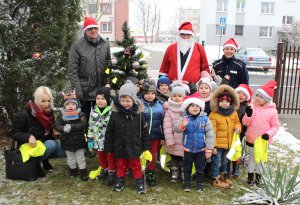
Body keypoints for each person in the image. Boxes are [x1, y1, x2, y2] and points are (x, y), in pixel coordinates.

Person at [104, 80, 150, 194]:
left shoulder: (139, 115)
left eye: (127, 100)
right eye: (122, 100)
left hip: (134, 146)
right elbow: (109, 131)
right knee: (121, 164)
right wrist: (109, 147)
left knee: (135, 165)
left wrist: (146, 147)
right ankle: (120, 180)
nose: (124, 103)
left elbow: (144, 132)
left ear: (134, 100)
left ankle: (139, 181)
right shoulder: (115, 114)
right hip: (120, 145)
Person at [11, 86, 65, 177]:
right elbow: (13, 133)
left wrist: (54, 134)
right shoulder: (24, 114)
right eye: (43, 101)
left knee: (66, 147)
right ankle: (34, 164)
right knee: (52, 144)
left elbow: (47, 136)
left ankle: (45, 161)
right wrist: (28, 137)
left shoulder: (50, 114)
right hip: (28, 148)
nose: (46, 104)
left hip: (42, 145)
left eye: (48, 101)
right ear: (36, 100)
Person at [68, 16, 111, 122]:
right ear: (85, 30)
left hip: (101, 93)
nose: (93, 31)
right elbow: (72, 70)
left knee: (101, 123)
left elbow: (109, 65)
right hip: (85, 93)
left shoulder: (105, 44)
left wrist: (108, 83)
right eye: (90, 28)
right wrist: (78, 91)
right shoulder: (77, 46)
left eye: (95, 28)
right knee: (85, 122)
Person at [242, 80, 280, 186]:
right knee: (252, 158)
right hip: (251, 138)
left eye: (261, 97)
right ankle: (250, 177)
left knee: (260, 159)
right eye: (257, 95)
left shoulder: (272, 111)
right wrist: (248, 115)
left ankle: (258, 177)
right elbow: (245, 123)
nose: (258, 98)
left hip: (263, 141)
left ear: (267, 99)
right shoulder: (252, 107)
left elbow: (276, 126)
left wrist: (268, 134)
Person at [174, 98, 214, 192]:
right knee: (187, 167)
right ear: (187, 108)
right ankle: (187, 184)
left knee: (200, 168)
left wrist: (209, 149)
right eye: (192, 106)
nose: (195, 108)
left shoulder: (205, 119)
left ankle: (200, 184)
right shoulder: (184, 117)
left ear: (200, 108)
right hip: (188, 149)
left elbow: (210, 134)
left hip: (201, 149)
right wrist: (182, 126)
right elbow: (175, 128)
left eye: (197, 106)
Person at [209, 84, 241, 188]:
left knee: (224, 161)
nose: (224, 103)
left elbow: (237, 122)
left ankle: (223, 176)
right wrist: (213, 146)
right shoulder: (214, 114)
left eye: (227, 101)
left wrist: (238, 127)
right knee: (216, 161)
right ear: (218, 102)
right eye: (222, 101)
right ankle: (215, 179)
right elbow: (211, 131)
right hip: (217, 145)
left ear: (231, 102)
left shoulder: (234, 113)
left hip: (228, 143)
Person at [55, 91, 88, 181]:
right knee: (70, 158)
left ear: (76, 105)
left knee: (80, 158)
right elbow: (57, 126)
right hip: (66, 141)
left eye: (73, 104)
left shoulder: (80, 114)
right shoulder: (61, 116)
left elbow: (84, 124)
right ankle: (73, 171)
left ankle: (83, 172)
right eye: (68, 104)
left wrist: (72, 127)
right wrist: (63, 128)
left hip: (79, 140)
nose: (70, 106)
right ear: (64, 106)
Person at [87, 87, 116, 185]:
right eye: (98, 98)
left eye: (103, 99)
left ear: (108, 100)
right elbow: (90, 126)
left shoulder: (112, 112)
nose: (100, 101)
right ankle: (104, 169)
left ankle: (112, 172)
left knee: (110, 156)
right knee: (101, 156)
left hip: (109, 140)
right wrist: (90, 139)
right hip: (98, 140)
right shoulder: (93, 111)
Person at [226, 84, 253, 179]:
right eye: (238, 92)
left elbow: (248, 121)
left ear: (247, 97)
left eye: (243, 94)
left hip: (239, 133)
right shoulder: (230, 104)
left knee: (236, 150)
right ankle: (227, 169)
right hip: (228, 132)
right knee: (228, 150)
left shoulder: (246, 108)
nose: (240, 95)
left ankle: (236, 169)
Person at [140, 79, 164, 186]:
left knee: (153, 155)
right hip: (141, 136)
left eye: (152, 93)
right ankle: (140, 171)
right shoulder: (139, 104)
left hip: (155, 135)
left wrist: (163, 137)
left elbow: (164, 122)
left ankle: (151, 172)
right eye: (147, 93)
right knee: (141, 154)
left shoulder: (160, 105)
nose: (150, 96)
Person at [163, 82, 186, 182]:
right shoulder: (169, 110)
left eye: (180, 96)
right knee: (174, 158)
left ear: (183, 97)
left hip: (185, 141)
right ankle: (175, 172)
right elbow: (167, 127)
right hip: (174, 141)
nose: (177, 98)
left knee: (185, 159)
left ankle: (184, 172)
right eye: (174, 96)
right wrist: (170, 141)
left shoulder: (187, 108)